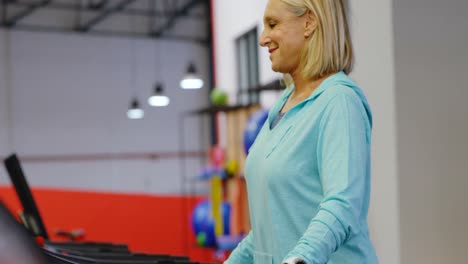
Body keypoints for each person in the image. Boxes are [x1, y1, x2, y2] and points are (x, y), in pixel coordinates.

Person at [224, 0, 378, 263]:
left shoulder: (339, 101)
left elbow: (342, 205)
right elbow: (268, 230)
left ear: (309, 22)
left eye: (273, 25)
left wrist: (300, 258)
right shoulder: (281, 107)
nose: (263, 39)